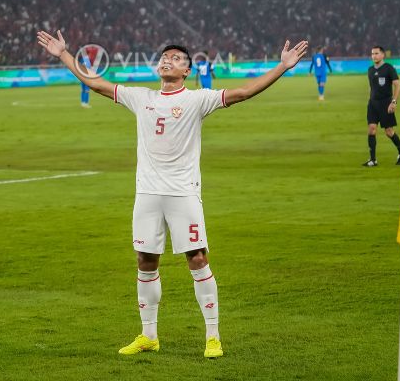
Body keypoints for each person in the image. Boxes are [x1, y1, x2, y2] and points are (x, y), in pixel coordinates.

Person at [37, 28, 308, 360]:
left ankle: (213, 336)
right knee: (145, 261)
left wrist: (282, 66)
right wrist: (64, 54)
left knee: (197, 258)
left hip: (183, 194)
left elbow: (244, 92)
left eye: (177, 58)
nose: (169, 60)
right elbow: (95, 83)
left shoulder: (196, 99)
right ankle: (148, 335)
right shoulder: (142, 98)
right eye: (165, 57)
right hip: (147, 194)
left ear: (187, 71)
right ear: (159, 67)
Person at [363, 45, 400, 166]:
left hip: (386, 104)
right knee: (371, 129)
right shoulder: (370, 70)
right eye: (372, 54)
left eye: (376, 53)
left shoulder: (388, 68)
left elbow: (398, 85)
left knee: (389, 131)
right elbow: (371, 87)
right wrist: (370, 99)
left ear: (382, 55)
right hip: (373, 104)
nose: (374, 56)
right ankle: (373, 160)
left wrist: (394, 102)